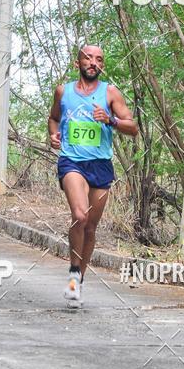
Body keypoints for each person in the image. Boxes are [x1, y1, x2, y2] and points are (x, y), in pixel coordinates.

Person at [48, 45, 138, 308]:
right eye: (88, 58)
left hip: (100, 165)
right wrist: (53, 134)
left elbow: (132, 127)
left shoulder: (110, 92)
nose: (93, 62)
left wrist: (111, 120)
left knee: (90, 227)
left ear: (102, 65)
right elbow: (53, 118)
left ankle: (78, 280)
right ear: (77, 63)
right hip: (71, 161)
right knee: (80, 215)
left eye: (99, 59)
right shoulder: (63, 92)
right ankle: (74, 273)